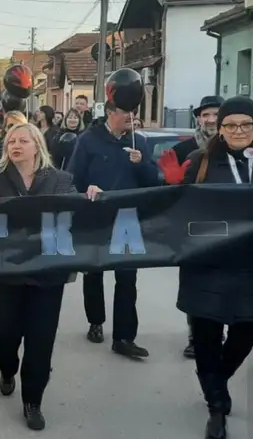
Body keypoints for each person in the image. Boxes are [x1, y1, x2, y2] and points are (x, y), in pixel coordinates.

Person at [0, 123, 78, 431]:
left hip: (46, 276)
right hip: (4, 274)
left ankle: (33, 400)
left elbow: (76, 211)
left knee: (41, 340)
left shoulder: (60, 180)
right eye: (11, 141)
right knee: (5, 334)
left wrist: (92, 197)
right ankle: (8, 369)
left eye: (23, 140)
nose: (15, 145)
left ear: (37, 147)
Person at [177, 96, 253, 439]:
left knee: (246, 332)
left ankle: (216, 380)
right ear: (220, 129)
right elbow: (178, 210)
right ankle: (217, 407)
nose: (239, 131)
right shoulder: (201, 161)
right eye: (231, 125)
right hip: (208, 264)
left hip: (251, 266)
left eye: (247, 124)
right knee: (207, 337)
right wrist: (171, 185)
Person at [67, 100, 161, 358]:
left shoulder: (138, 142)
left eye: (135, 112)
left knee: (127, 279)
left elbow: (154, 180)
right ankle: (95, 322)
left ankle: (124, 337)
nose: (133, 116)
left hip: (128, 220)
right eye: (127, 111)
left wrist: (141, 163)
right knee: (94, 272)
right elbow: (72, 177)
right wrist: (87, 191)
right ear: (110, 113)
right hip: (97, 217)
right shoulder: (88, 140)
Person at [159, 95, 224, 359]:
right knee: (197, 284)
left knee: (225, 283)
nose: (210, 120)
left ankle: (219, 333)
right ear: (198, 118)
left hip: (231, 228)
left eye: (215, 114)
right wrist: (172, 183)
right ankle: (195, 336)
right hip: (194, 228)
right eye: (205, 115)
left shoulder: (236, 149)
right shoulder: (183, 150)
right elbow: (165, 196)